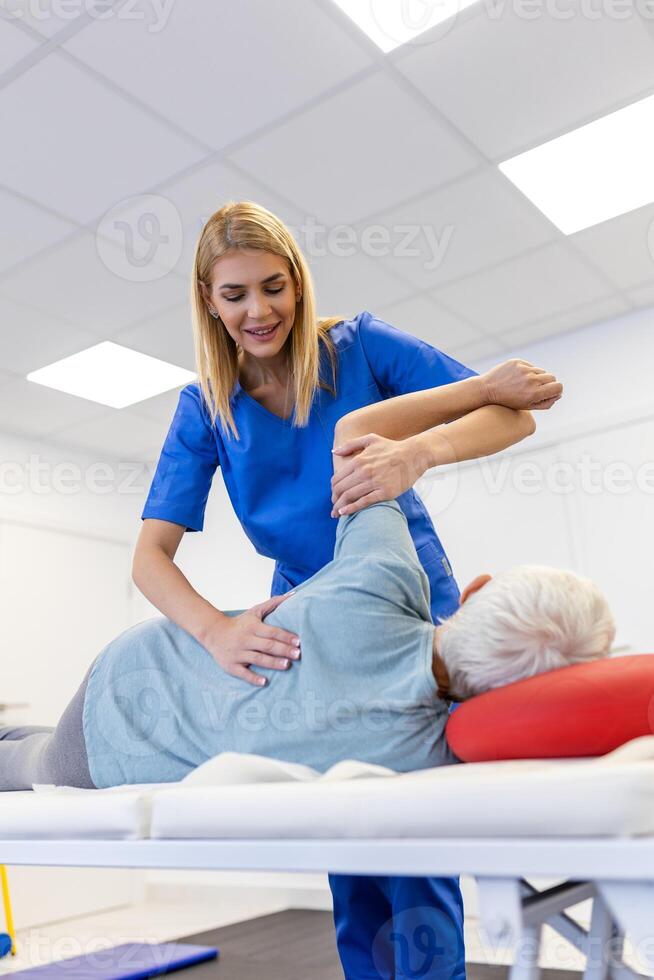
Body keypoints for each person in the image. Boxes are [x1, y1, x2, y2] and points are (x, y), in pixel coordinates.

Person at [0, 352, 568, 977]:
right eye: (235, 295)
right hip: (280, 636)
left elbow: (511, 416)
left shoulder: (360, 350)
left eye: (272, 288)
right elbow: (149, 557)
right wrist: (215, 631)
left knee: (409, 861)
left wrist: (421, 451)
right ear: (211, 306)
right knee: (354, 861)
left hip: (336, 620)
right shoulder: (209, 406)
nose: (258, 312)